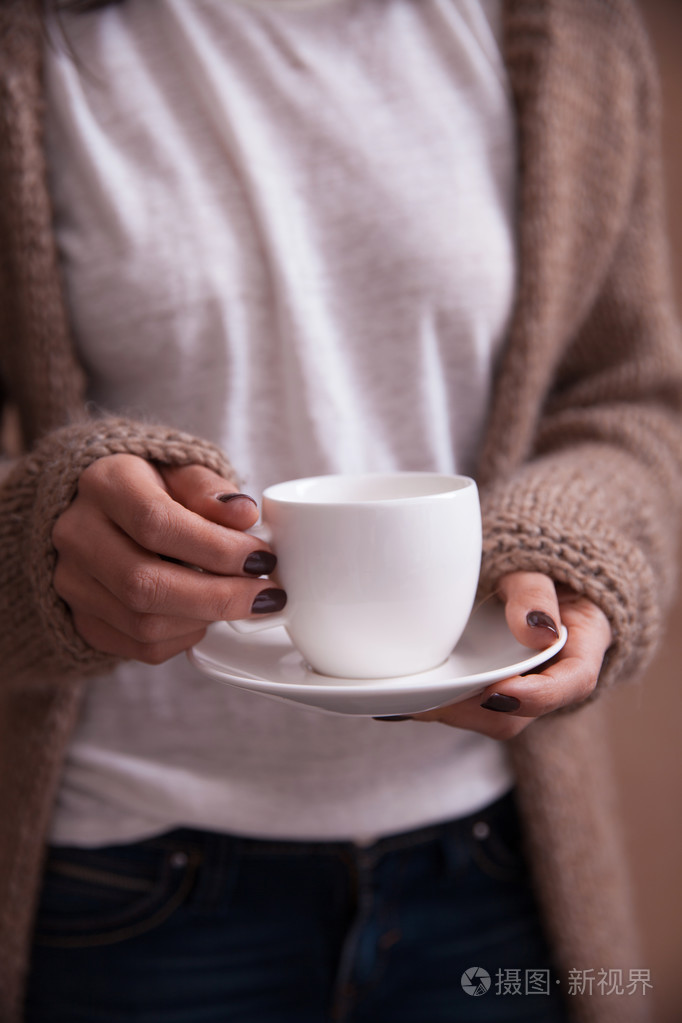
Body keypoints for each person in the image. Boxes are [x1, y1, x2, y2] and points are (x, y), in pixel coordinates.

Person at [0, 0, 680, 1021]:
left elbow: (627, 394)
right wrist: (36, 542)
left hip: (492, 874)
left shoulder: (571, 28)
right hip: (122, 887)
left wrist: (569, 554)